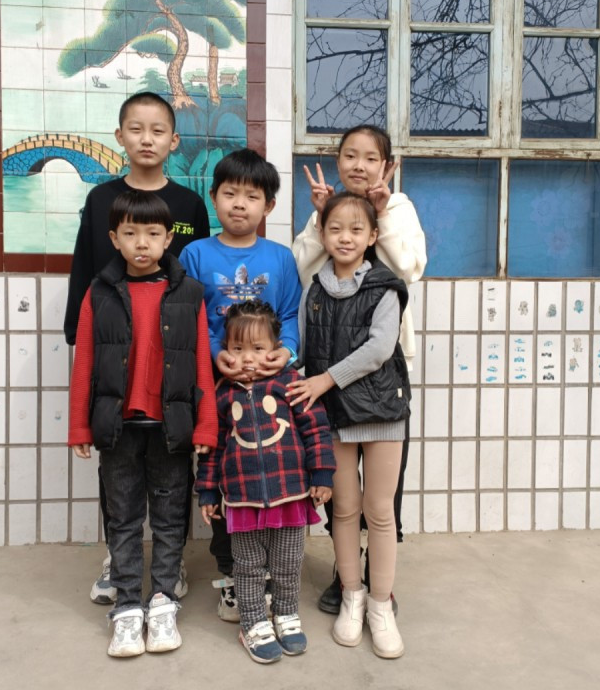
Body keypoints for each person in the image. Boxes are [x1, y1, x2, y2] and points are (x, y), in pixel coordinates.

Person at [64, 91, 210, 606]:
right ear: (120, 136)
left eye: (157, 130)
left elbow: (195, 275)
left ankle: (171, 564)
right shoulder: (101, 199)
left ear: (174, 140)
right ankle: (118, 558)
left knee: (173, 465)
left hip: (172, 357)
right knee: (117, 463)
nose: (146, 139)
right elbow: (85, 269)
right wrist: (78, 333)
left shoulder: (190, 205)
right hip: (111, 349)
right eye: (136, 128)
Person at [68, 190, 217, 657]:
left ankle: (163, 601)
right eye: (130, 233)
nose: (141, 243)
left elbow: (202, 365)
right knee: (124, 519)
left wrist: (206, 427)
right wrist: (79, 427)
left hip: (171, 427)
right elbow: (84, 362)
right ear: (114, 238)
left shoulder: (189, 293)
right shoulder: (99, 292)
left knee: (171, 520)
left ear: (169, 239)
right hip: (118, 427)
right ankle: (128, 608)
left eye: (153, 234)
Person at [291, 124, 426, 613]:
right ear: (338, 160)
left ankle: (376, 579)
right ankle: (345, 574)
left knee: (384, 492)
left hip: (381, 364)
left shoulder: (400, 207)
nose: (359, 165)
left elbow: (407, 269)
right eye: (350, 155)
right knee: (340, 486)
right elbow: (303, 269)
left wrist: (382, 214)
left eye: (371, 157)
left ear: (387, 165)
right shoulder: (327, 211)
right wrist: (318, 216)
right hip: (330, 363)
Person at [179, 149, 302, 622]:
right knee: (226, 478)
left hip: (271, 391)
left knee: (270, 475)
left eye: (251, 196)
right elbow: (189, 317)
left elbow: (290, 316)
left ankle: (270, 573)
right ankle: (232, 574)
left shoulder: (281, 258)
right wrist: (218, 355)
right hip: (218, 388)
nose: (239, 204)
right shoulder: (195, 254)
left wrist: (284, 354)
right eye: (229, 193)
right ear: (213, 197)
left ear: (268, 206)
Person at [287, 191, 409, 659]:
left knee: (379, 512)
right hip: (332, 415)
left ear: (373, 236)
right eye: (335, 228)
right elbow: (301, 349)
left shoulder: (386, 287)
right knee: (343, 510)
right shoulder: (313, 290)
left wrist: (324, 380)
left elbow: (379, 349)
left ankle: (380, 606)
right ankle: (352, 598)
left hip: (381, 413)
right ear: (322, 234)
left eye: (357, 229)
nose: (345, 237)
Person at [196, 300, 335, 663]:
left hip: (290, 494)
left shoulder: (291, 384)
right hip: (242, 500)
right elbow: (212, 448)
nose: (247, 358)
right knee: (248, 568)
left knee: (288, 564)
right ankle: (254, 623)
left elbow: (316, 430)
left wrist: (322, 474)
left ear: (276, 348)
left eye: (258, 348)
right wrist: (207, 490)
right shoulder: (222, 393)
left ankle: (286, 615)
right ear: (225, 350)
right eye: (237, 348)